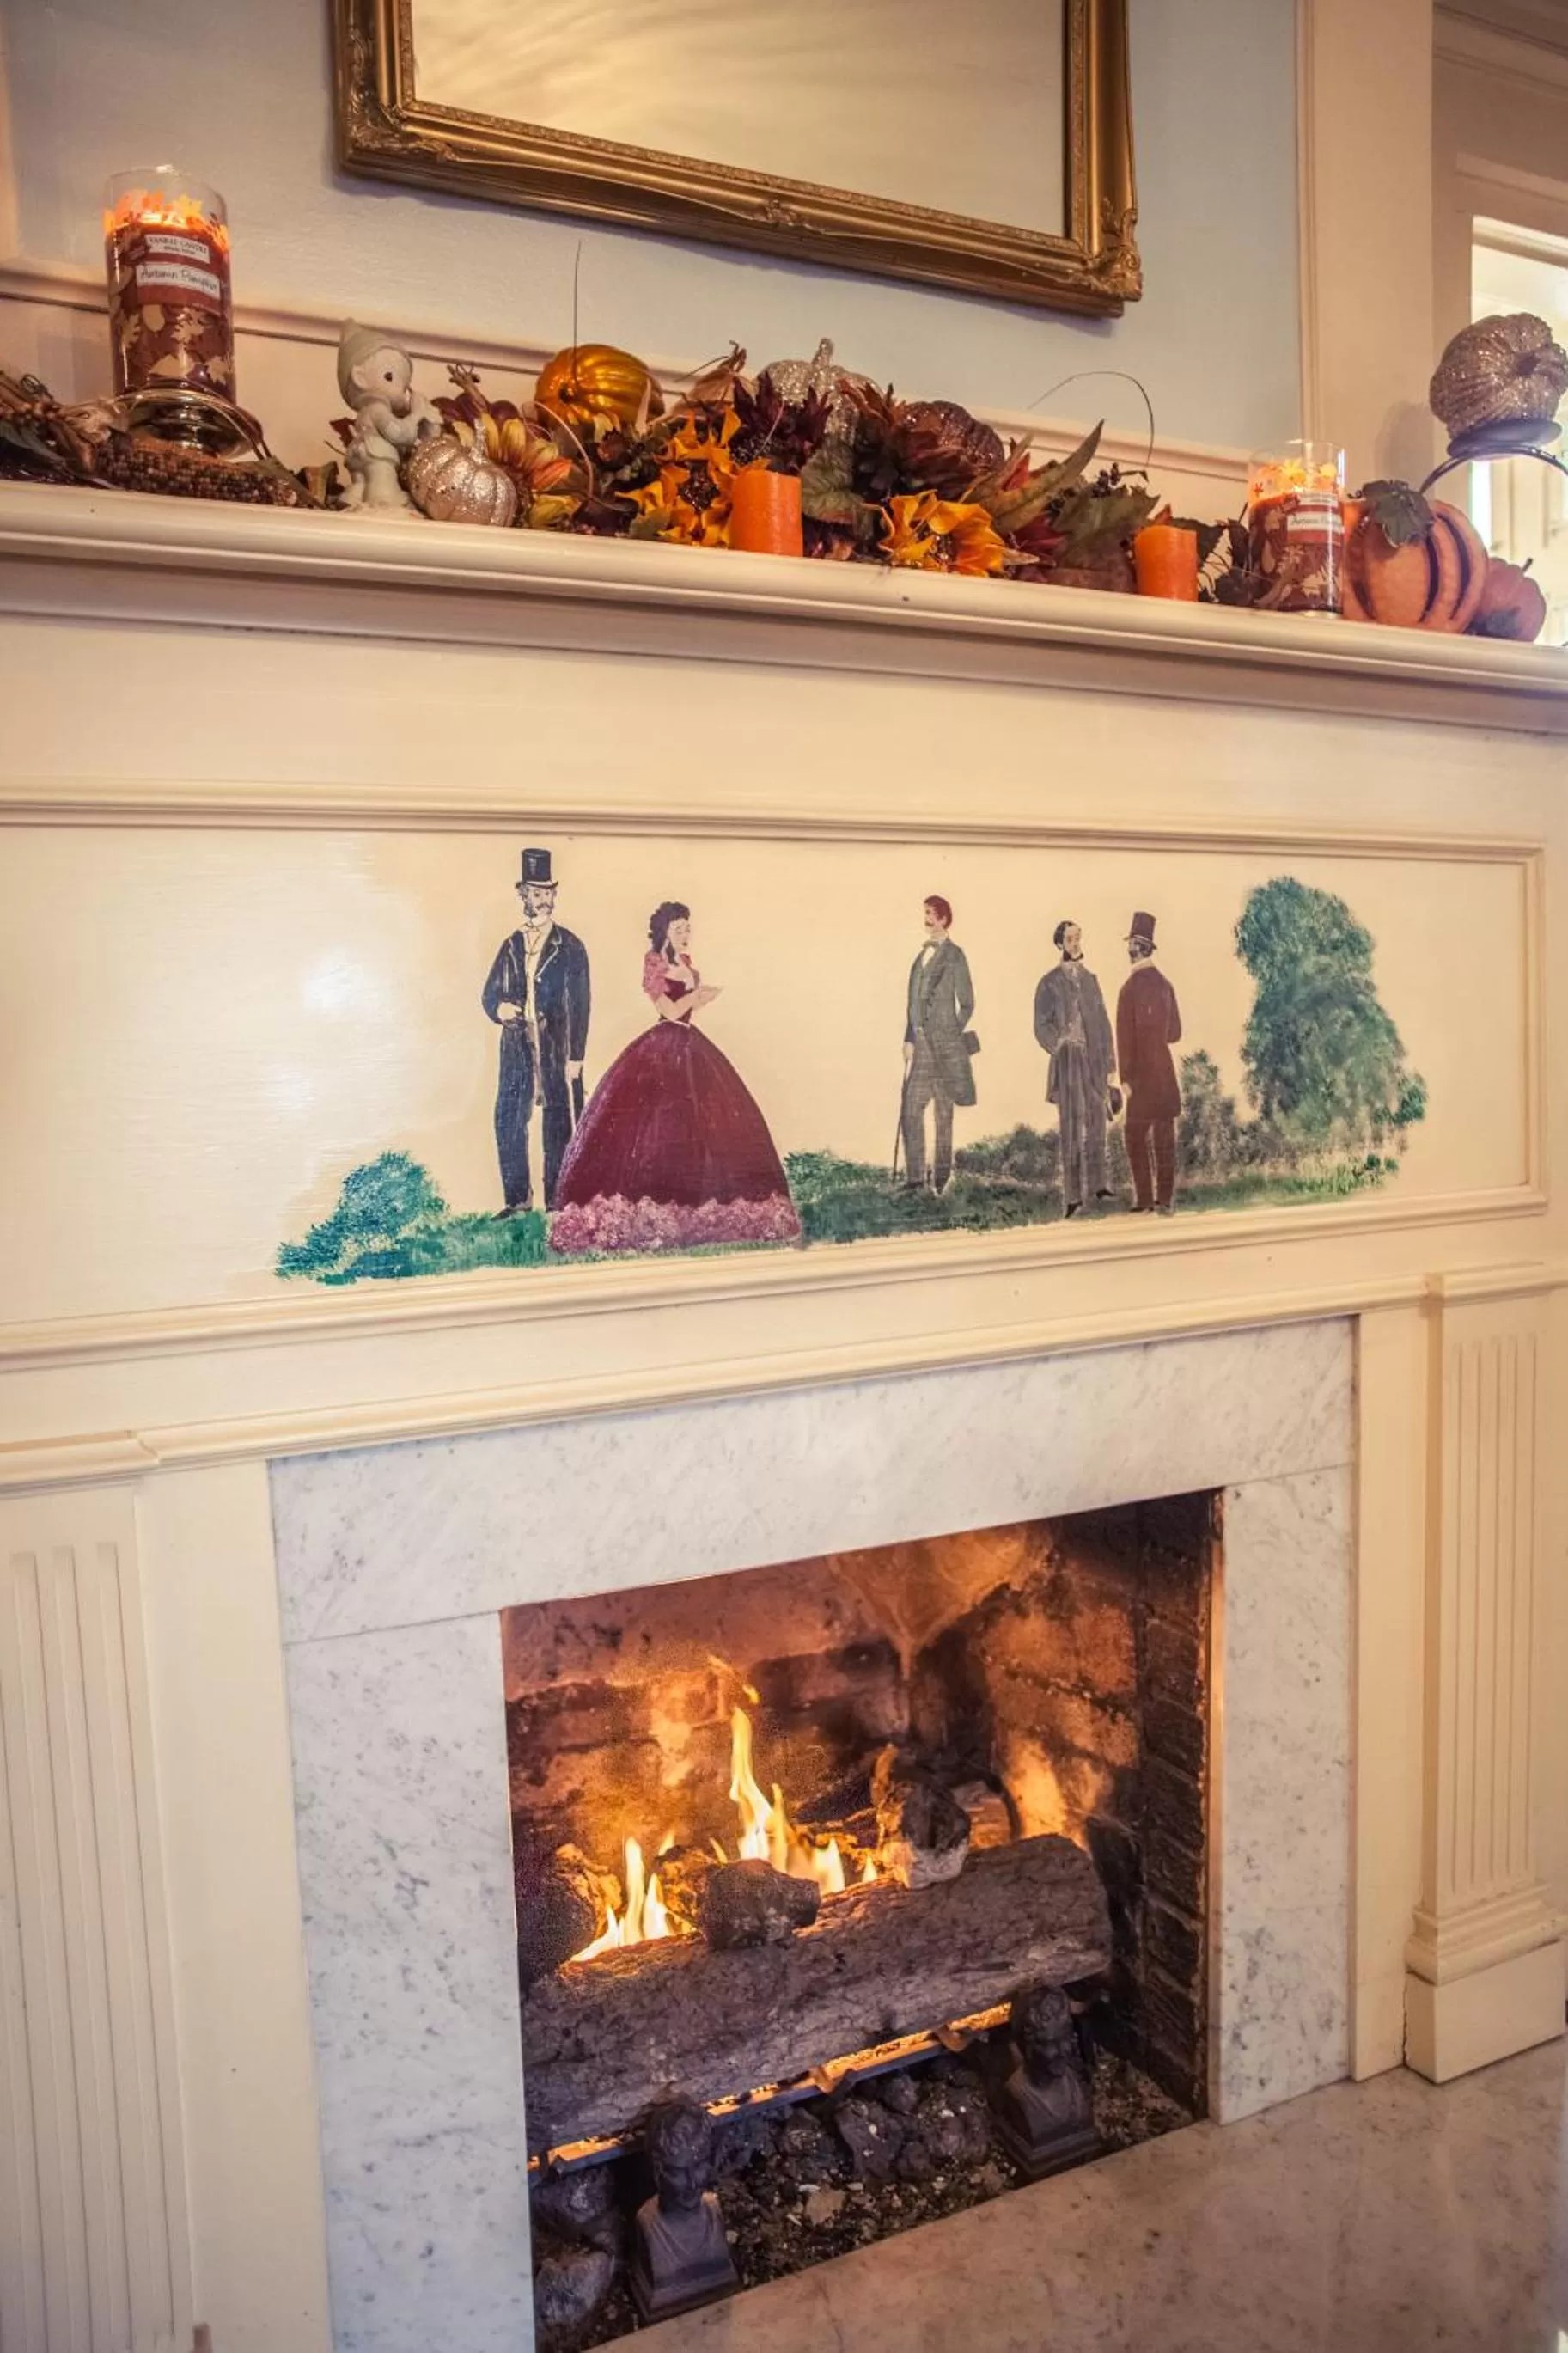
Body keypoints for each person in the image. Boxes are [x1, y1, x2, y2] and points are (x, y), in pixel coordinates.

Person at [550, 901, 801, 1255]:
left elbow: (685, 1009)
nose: (686, 934)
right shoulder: (655, 962)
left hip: (689, 1042)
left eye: (687, 928)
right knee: (653, 1127)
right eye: (679, 928)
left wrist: (700, 998)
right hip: (663, 1045)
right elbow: (667, 1010)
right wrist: (696, 996)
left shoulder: (686, 962)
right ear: (665, 931)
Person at [481, 847, 590, 1213]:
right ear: (523, 895)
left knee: (558, 1117)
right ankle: (517, 1203)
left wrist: (576, 1055)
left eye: (547, 892)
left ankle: (559, 1202)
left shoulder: (570, 946)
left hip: (555, 1043)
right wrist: (499, 1009)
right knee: (510, 1115)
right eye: (535, 893)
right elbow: (489, 994)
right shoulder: (511, 944)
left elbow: (581, 1003)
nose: (542, 900)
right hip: (516, 1041)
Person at [1032, 919, 1119, 1218]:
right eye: (1070, 939)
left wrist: (1111, 1065)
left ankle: (1098, 1186)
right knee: (1070, 1125)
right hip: (1068, 1060)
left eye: (1078, 938)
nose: (1076, 943)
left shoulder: (1091, 979)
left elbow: (1105, 1024)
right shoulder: (1049, 982)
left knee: (1097, 1120)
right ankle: (1072, 1196)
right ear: (1060, 944)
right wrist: (1059, 1041)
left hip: (1095, 1060)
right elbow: (1040, 1025)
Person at [900, 895, 978, 1192]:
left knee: (943, 1114)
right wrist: (909, 1038)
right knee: (911, 1109)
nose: (926, 919)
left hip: (945, 1048)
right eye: (925, 913)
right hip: (921, 1046)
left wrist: (951, 1033)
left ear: (944, 919)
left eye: (931, 914)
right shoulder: (920, 958)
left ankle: (941, 1180)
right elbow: (912, 1006)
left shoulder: (955, 956)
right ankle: (915, 1179)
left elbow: (967, 1004)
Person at [1116, 910, 1183, 1213]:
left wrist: (1125, 1078)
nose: (1128, 949)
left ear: (1136, 948)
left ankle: (1144, 1199)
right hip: (1164, 1073)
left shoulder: (1128, 990)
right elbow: (1175, 1033)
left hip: (1140, 1077)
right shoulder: (1166, 985)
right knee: (1164, 1139)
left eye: (1130, 943)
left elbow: (1124, 1040)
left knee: (1133, 1136)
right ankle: (1164, 1201)